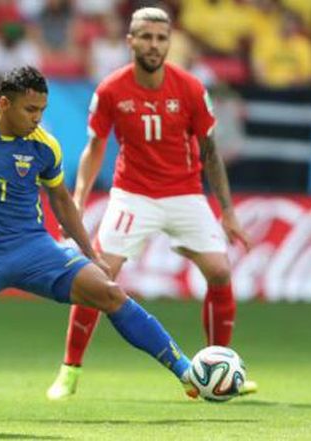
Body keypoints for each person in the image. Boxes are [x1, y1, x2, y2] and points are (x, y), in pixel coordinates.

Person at [0, 65, 203, 419]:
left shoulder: (44, 146)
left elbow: (61, 201)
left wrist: (91, 255)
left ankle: (186, 371)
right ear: (4, 103)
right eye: (30, 110)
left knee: (111, 292)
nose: (37, 118)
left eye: (42, 110)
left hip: (34, 249)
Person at [45, 7, 258, 401]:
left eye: (161, 38)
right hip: (133, 194)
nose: (154, 45)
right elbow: (95, 148)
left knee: (220, 272)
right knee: (99, 276)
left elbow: (210, 152)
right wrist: (76, 198)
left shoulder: (191, 88)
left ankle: (221, 364)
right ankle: (69, 371)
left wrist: (227, 210)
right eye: (146, 37)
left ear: (169, 42)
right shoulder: (111, 89)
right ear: (131, 41)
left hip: (185, 193)